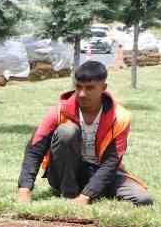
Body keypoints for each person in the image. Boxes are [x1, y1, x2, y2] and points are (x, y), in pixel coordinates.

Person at [18, 60, 152, 207]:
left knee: (143, 199)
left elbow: (111, 162)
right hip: (64, 173)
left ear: (103, 88)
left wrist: (86, 196)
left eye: (89, 88)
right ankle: (69, 192)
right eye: (78, 87)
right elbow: (35, 148)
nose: (82, 94)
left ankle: (91, 190)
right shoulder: (60, 110)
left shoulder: (120, 117)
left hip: (99, 171)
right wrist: (25, 189)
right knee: (67, 131)